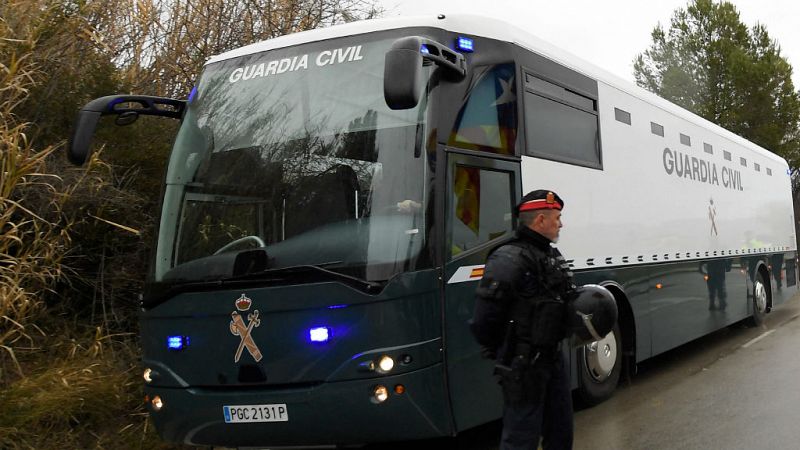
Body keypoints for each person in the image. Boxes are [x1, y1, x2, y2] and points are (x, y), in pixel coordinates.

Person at [470, 190, 576, 450]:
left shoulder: (550, 255)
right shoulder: (508, 258)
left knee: (561, 432)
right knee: (521, 438)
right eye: (557, 218)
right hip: (524, 365)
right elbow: (484, 319)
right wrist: (508, 352)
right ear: (540, 220)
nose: (560, 224)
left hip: (552, 359)